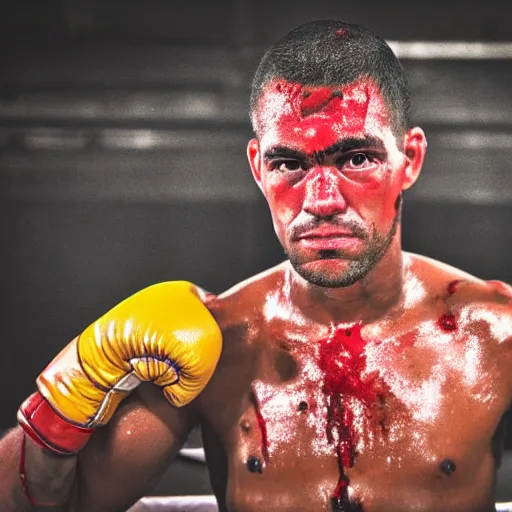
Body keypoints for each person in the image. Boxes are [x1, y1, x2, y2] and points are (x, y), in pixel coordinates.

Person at [1, 18, 511, 512]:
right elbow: (45, 505)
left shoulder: (494, 332)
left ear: (411, 159)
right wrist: (61, 403)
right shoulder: (221, 343)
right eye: (289, 163)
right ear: (257, 167)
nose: (323, 200)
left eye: (356, 158)